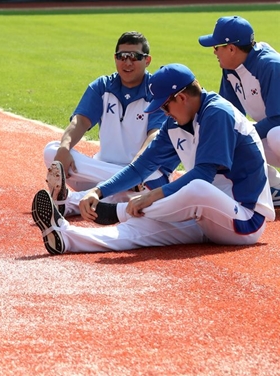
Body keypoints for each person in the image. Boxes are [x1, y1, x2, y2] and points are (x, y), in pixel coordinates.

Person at [31, 63, 275, 255]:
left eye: (165, 106)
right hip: (202, 217)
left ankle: (118, 211)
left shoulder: (217, 113)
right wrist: (98, 191)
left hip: (243, 220)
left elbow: (203, 174)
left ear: (181, 97)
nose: (163, 112)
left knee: (197, 187)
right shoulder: (175, 123)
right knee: (139, 228)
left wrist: (150, 196)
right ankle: (66, 237)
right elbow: (140, 168)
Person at [42, 31, 169, 217]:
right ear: (115, 58)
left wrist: (135, 171)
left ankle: (68, 203)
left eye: (135, 57)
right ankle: (108, 196)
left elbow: (154, 135)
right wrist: (64, 148)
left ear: (147, 60)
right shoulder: (102, 86)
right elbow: (80, 121)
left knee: (144, 181)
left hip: (143, 175)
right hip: (102, 171)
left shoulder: (155, 91)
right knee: (52, 150)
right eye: (122, 56)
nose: (127, 62)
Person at [198, 15, 280, 206]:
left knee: (276, 134)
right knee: (224, 136)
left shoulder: (271, 66)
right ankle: (275, 188)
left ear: (232, 48)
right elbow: (228, 113)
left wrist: (240, 136)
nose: (214, 52)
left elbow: (277, 118)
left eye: (217, 47)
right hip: (272, 130)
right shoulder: (231, 67)